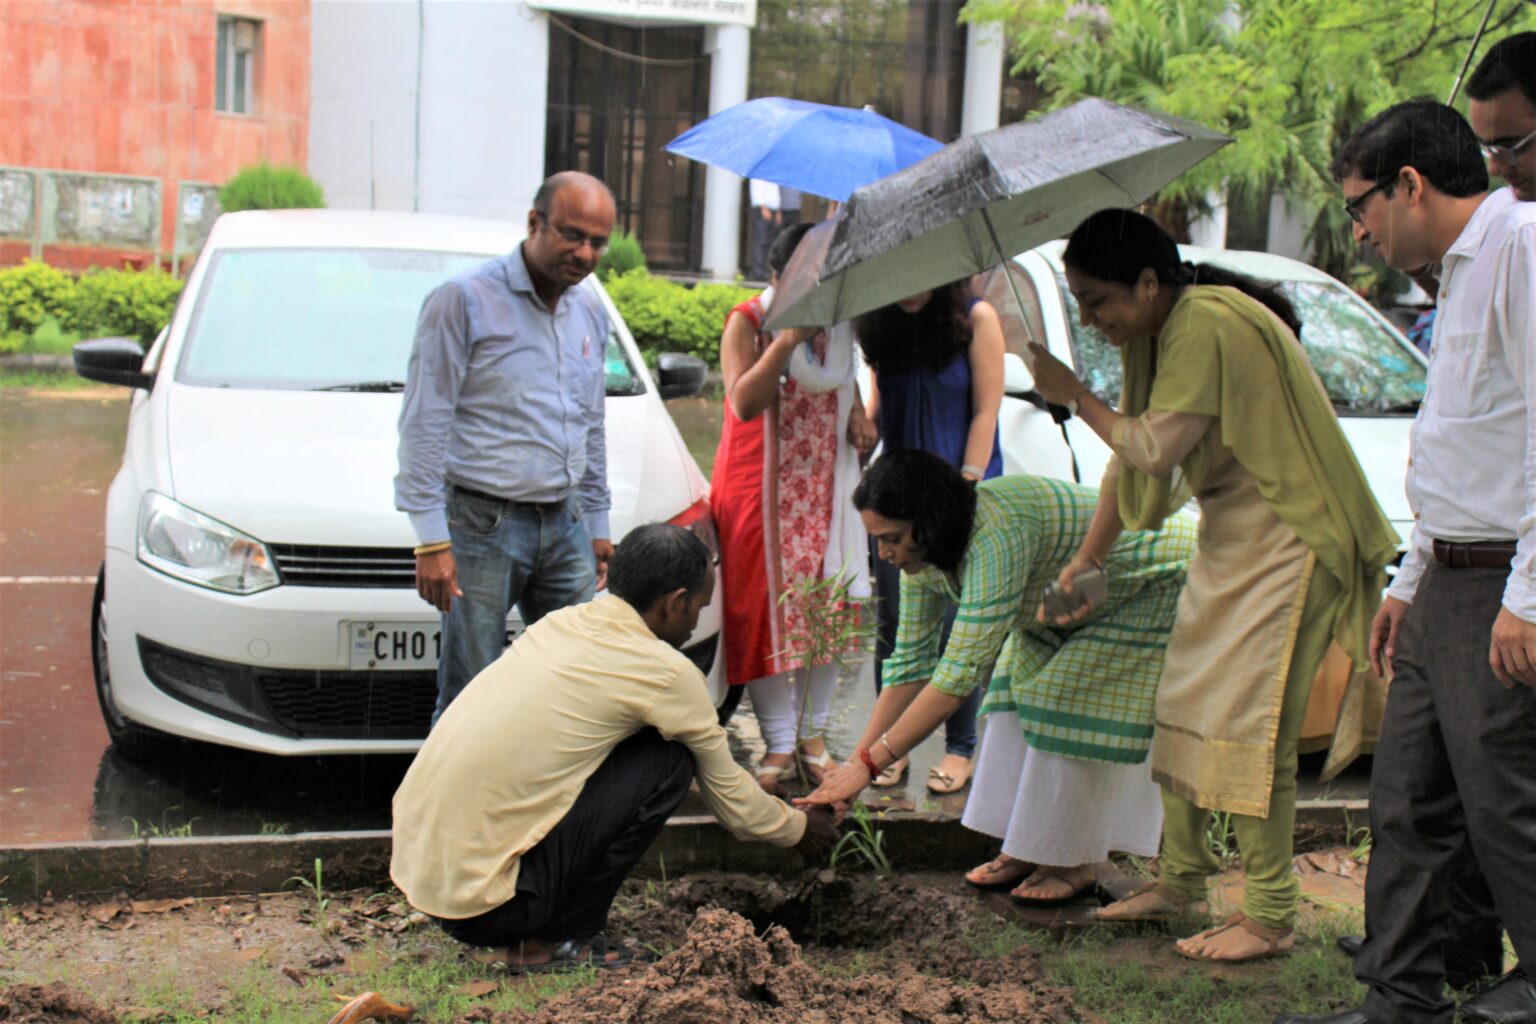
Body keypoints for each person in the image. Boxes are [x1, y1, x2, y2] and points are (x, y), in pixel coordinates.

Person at [1027, 208, 1397, 963]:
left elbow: (1152, 448)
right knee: (1186, 704)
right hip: (1235, 537)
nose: (1092, 319)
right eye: (1081, 304)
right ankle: (1185, 880)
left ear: (1149, 282)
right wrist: (1087, 561)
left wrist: (1073, 397)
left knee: (1248, 727)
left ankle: (1268, 914)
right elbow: (1128, 463)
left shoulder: (1204, 322)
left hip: (1294, 538)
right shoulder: (1167, 334)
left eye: (1099, 301)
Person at [1277, 99, 1536, 1024]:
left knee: (1504, 803)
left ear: (1411, 186)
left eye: (1361, 207)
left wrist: (1528, 597)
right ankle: (1398, 995)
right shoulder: (1457, 271)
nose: (1359, 229)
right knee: (1407, 796)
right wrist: (1409, 579)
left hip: (1502, 577)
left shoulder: (1520, 248)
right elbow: (1454, 440)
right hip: (1446, 573)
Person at [390, 524, 838, 971]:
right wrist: (801, 828)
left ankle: (537, 919)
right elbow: (735, 807)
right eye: (698, 609)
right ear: (674, 602)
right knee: (671, 761)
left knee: (648, 745)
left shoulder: (560, 623)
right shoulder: (665, 672)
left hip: (424, 877)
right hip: (489, 911)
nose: (695, 623)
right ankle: (559, 940)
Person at [798, 450, 1195, 900]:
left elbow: (957, 675)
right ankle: (1031, 845)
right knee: (1011, 692)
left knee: (1061, 701)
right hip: (1071, 597)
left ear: (928, 523)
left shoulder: (997, 530)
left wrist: (869, 766)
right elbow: (910, 667)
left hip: (1152, 576)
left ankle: (1074, 858)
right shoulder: (923, 561)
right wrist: (857, 765)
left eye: (891, 538)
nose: (883, 554)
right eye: (877, 540)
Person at [395, 171, 618, 723]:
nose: (584, 252)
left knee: (574, 685)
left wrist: (597, 521)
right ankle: (453, 811)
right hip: (481, 528)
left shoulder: (589, 310)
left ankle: (550, 807)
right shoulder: (464, 302)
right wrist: (429, 540)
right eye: (572, 234)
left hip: (565, 526)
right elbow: (424, 420)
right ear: (534, 222)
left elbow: (591, 420)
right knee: (473, 696)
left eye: (597, 242)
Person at [710, 222, 877, 790]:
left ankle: (813, 737)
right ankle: (780, 742)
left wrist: (857, 413)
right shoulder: (748, 321)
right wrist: (785, 339)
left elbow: (849, 382)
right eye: (805, 284)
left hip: (824, 488)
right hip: (759, 486)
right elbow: (743, 402)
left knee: (825, 610)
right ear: (777, 278)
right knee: (763, 612)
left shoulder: (842, 326)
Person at [852, 282, 1005, 794]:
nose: (910, 287)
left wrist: (965, 488)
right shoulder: (880, 325)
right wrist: (864, 428)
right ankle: (887, 747)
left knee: (959, 628)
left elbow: (987, 411)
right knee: (896, 625)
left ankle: (960, 748)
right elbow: (878, 405)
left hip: (960, 490)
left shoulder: (976, 318)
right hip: (899, 499)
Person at [749, 178, 785, 280]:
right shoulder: (759, 173)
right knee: (762, 241)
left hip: (773, 209)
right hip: (763, 209)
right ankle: (759, 271)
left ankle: (768, 270)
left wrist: (778, 210)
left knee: (771, 242)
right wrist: (763, 207)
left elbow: (776, 193)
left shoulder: (774, 174)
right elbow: (757, 190)